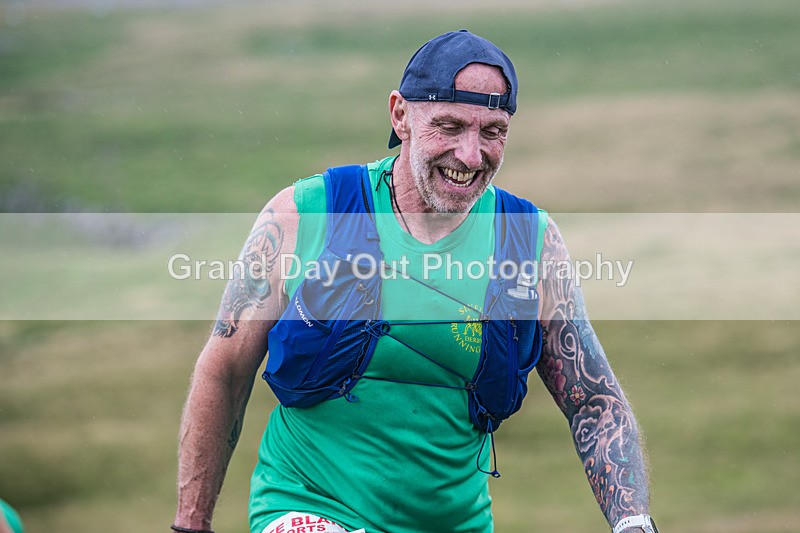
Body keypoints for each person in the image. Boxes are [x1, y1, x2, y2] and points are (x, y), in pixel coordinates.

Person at [173, 30, 657, 533]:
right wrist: (192, 524)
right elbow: (225, 371)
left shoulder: (528, 242)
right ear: (400, 115)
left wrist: (633, 523)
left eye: (493, 132)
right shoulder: (306, 214)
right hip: (309, 511)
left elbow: (593, 402)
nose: (471, 155)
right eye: (449, 126)